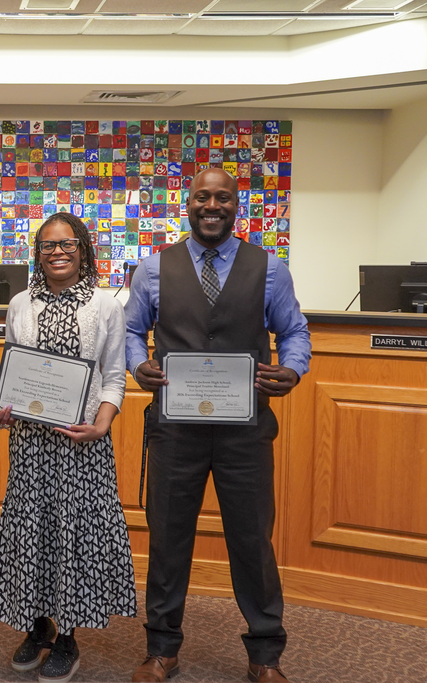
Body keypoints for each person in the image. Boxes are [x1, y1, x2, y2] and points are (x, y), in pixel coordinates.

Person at [124, 168, 311, 683]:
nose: (212, 206)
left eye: (222, 198)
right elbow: (132, 332)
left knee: (253, 540)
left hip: (245, 430)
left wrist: (293, 369)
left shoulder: (269, 268)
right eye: (202, 197)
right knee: (168, 540)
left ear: (235, 206)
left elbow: (294, 331)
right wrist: (138, 364)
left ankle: (265, 654)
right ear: (188, 204)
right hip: (174, 429)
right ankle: (161, 649)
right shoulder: (152, 269)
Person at [0, 212, 136, 683]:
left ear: (83, 250)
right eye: (48, 245)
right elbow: (11, 370)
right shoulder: (20, 304)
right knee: (32, 533)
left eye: (67, 244)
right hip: (30, 445)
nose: (57, 252)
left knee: (73, 538)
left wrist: (101, 425)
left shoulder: (105, 305)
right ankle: (39, 627)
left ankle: (68, 637)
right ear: (37, 253)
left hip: (82, 445)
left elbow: (114, 376)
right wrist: (3, 410)